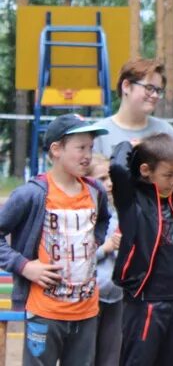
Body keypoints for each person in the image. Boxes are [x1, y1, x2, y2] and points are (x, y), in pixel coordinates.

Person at [0, 114, 110, 365]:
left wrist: (95, 240)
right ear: (56, 149)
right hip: (44, 312)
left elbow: (103, 220)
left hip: (87, 313)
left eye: (90, 148)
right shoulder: (32, 194)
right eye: (80, 147)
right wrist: (24, 266)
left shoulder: (96, 191)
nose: (87, 155)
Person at [110, 133, 173, 366]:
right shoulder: (131, 199)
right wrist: (134, 145)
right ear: (145, 170)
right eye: (167, 175)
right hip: (145, 297)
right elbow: (117, 167)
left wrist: (165, 146)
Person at [94, 57, 173, 157]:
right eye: (149, 88)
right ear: (126, 86)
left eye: (158, 91)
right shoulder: (100, 133)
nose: (155, 95)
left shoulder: (165, 131)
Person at [90, 153, 124, 366]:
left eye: (111, 178)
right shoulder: (84, 215)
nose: (110, 184)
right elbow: (73, 260)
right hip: (89, 299)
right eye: (102, 179)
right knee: (86, 357)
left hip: (117, 297)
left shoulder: (120, 213)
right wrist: (105, 248)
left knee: (112, 359)